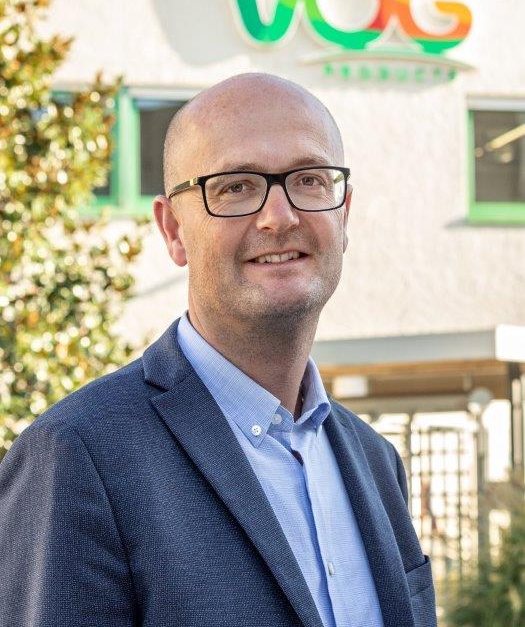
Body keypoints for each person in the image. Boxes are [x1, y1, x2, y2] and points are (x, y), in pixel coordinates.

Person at [0, 73, 437, 627]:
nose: (279, 216)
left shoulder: (377, 463)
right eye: (235, 187)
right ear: (173, 230)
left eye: (308, 180)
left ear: (344, 214)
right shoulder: (78, 455)